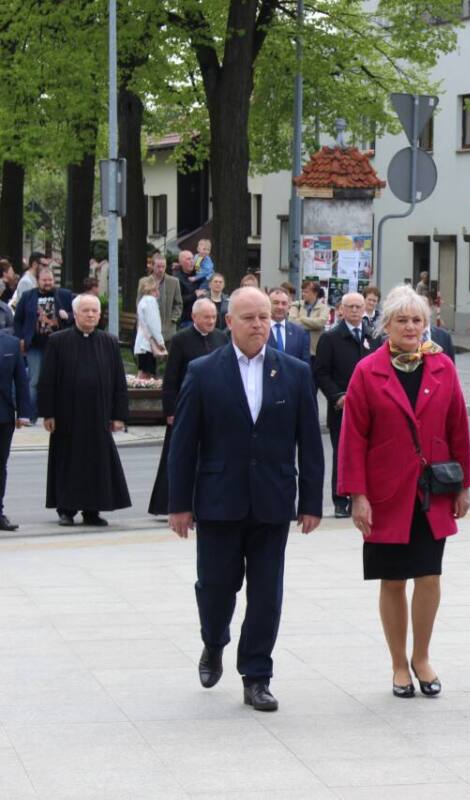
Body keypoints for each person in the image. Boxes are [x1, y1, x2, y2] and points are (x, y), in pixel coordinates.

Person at [168, 288, 324, 712]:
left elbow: (309, 441)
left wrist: (312, 501)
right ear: (229, 322)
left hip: (272, 500)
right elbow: (184, 443)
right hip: (219, 499)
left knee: (267, 593)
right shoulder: (203, 372)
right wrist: (178, 503)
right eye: (249, 317)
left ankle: (257, 675)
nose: (259, 324)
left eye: (264, 318)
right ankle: (214, 640)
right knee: (216, 587)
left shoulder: (294, 371)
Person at [339, 286, 470, 696]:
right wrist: (356, 495)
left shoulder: (442, 367)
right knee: (393, 579)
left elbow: (458, 428)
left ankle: (422, 657)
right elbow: (353, 437)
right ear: (387, 325)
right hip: (385, 492)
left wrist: (464, 485)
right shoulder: (367, 370)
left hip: (432, 490)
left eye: (417, 320)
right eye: (402, 320)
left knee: (429, 575)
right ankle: (399, 664)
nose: (411, 327)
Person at [38, 294, 131, 527]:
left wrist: (119, 415)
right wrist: (48, 413)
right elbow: (47, 379)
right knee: (68, 461)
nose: (90, 314)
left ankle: (92, 510)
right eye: (86, 310)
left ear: (100, 315)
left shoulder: (109, 342)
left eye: (94, 311)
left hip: (99, 415)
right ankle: (66, 509)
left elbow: (119, 381)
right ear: (75, 313)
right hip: (67, 417)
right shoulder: (59, 341)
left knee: (97, 463)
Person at [148, 299, 228, 516]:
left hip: (215, 410)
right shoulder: (181, 340)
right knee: (178, 456)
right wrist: (171, 411)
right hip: (186, 408)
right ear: (194, 317)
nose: (211, 321)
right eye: (206, 317)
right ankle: (170, 504)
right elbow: (171, 378)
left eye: (214, 317)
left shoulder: (222, 337)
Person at [313, 293, 377, 519]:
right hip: (342, 407)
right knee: (343, 453)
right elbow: (320, 372)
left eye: (359, 307)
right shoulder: (330, 338)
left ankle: (362, 497)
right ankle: (340, 500)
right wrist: (337, 396)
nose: (355, 311)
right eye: (350, 307)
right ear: (341, 309)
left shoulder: (371, 336)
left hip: (369, 409)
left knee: (368, 453)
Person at [13, 266, 74, 412]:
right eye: (44, 280)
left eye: (50, 280)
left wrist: (68, 315)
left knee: (60, 379)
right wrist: (20, 338)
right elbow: (18, 319)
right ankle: (29, 414)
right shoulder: (28, 296)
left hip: (59, 345)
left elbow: (78, 312)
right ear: (38, 281)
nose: (48, 283)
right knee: (34, 380)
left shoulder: (64, 295)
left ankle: (59, 412)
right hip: (35, 345)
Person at [0, 328, 34, 531]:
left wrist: (23, 412)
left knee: (0, 467)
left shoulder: (11, 344)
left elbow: (21, 381)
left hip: (3, 416)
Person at [267, 288, 311, 363]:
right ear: (267, 305)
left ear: (289, 307)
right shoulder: (259, 330)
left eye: (284, 303)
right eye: (276, 303)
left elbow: (305, 365)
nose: (280, 307)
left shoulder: (300, 333)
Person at [134, 278, 166, 379]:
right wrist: (160, 342)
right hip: (148, 344)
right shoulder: (150, 301)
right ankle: (140, 394)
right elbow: (153, 324)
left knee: (143, 371)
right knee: (147, 374)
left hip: (143, 342)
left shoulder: (143, 300)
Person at [290, 279, 329, 357]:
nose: (303, 294)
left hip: (315, 351)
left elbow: (320, 323)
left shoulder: (323, 308)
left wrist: (302, 318)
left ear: (315, 293)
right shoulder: (297, 305)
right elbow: (292, 322)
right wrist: (312, 325)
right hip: (298, 348)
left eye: (306, 292)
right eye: (303, 291)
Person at [151, 254, 184, 345]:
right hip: (149, 328)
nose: (161, 269)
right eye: (158, 266)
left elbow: (179, 303)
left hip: (168, 328)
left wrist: (174, 318)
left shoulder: (174, 281)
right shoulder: (145, 282)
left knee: (168, 357)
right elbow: (139, 303)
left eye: (163, 266)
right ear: (152, 266)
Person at [174, 250, 199, 328]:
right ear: (181, 262)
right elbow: (178, 300)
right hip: (186, 320)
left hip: (201, 316)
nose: (192, 261)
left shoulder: (199, 274)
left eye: (192, 258)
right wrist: (194, 295)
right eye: (188, 259)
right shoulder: (176, 278)